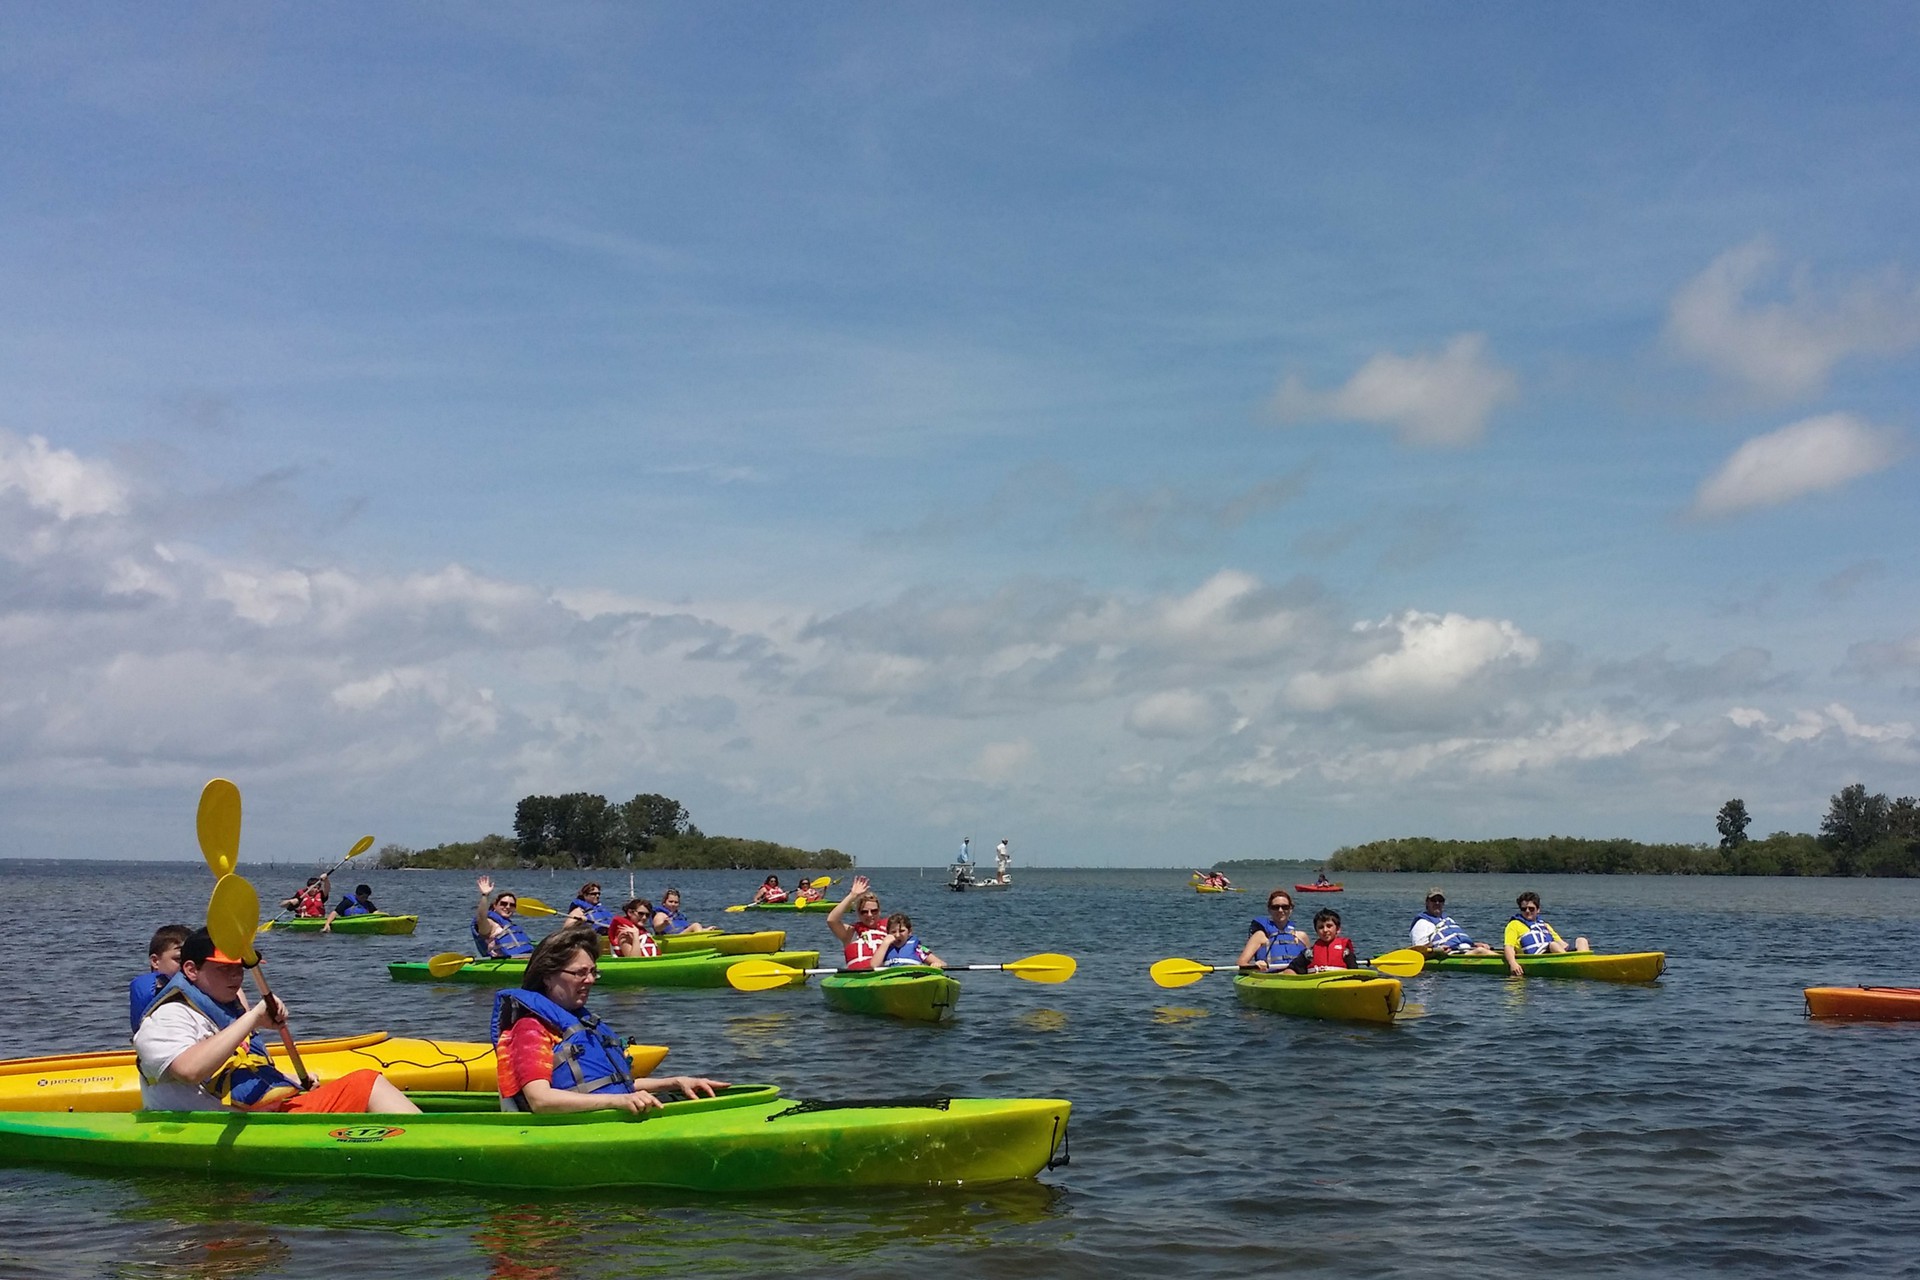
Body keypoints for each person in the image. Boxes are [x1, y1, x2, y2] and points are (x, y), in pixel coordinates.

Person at [133, 927, 420, 1114]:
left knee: (364, 1079)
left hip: (259, 1117)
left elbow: (240, 1067)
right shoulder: (169, 1015)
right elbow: (188, 1070)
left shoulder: (223, 1007)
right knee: (366, 1083)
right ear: (191, 970)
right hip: (204, 1130)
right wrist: (253, 1019)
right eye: (224, 970)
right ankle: (423, 1142)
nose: (236, 977)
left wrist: (290, 1081)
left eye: (239, 969)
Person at [492, 926, 726, 1114]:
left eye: (593, 972)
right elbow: (540, 1100)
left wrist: (675, 1081)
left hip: (606, 1115)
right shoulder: (531, 1028)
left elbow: (614, 1084)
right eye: (580, 973)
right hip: (575, 1128)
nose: (591, 980)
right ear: (547, 977)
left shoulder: (582, 1022)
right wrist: (618, 1102)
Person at [1503, 892, 1591, 976]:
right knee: (1553, 945)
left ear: (1538, 910)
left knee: (1581, 940)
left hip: (1554, 952)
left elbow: (1561, 943)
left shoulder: (1544, 925)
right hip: (1536, 956)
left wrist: (1573, 951)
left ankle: (1586, 964)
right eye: (1523, 909)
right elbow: (1509, 947)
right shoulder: (1514, 925)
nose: (1527, 911)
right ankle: (1574, 966)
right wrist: (1513, 963)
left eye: (1531, 908)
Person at [129, 923, 191, 1032]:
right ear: (155, 961)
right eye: (179, 959)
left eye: (192, 960)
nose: (187, 966)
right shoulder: (150, 990)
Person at [827, 875, 892, 969]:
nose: (870, 915)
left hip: (881, 975)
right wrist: (852, 895)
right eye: (864, 912)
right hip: (858, 977)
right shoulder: (850, 933)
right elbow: (831, 920)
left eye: (874, 911)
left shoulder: (890, 930)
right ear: (858, 913)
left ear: (879, 911)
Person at [1237, 891, 1310, 971]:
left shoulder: (1302, 936)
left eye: (1285, 907)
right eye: (1275, 907)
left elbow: (1311, 961)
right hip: (1272, 978)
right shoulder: (1260, 936)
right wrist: (1255, 966)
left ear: (1291, 909)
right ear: (1269, 910)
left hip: (1297, 977)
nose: (1280, 910)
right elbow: (1241, 963)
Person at [1409, 889, 1495, 956]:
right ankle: (1508, 965)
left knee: (1482, 949)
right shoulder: (1421, 923)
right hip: (1448, 955)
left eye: (1440, 900)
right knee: (1480, 951)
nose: (1437, 903)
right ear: (1427, 902)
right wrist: (1437, 950)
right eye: (1433, 900)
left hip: (1465, 950)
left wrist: (1476, 944)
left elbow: (1456, 939)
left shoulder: (1448, 920)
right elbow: (1418, 951)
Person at [473, 876, 535, 958]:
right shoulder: (490, 923)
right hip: (508, 962)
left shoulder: (509, 925)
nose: (508, 907)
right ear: (495, 905)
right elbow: (481, 918)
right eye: (503, 904)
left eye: (512, 905)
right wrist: (485, 895)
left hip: (526, 957)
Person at [874, 913, 945, 968]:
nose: (897, 935)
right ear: (888, 933)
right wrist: (885, 943)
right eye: (893, 932)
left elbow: (942, 964)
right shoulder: (885, 949)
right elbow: (874, 965)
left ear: (910, 932)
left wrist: (936, 964)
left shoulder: (918, 949)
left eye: (902, 931)